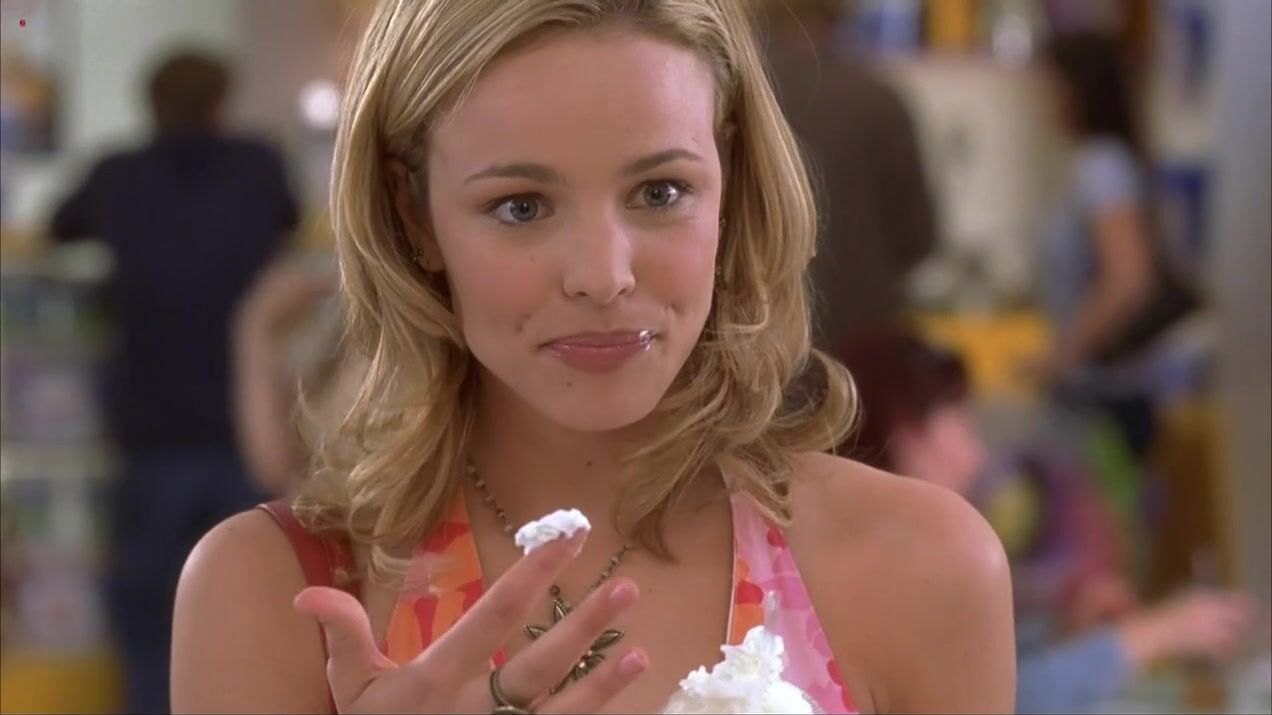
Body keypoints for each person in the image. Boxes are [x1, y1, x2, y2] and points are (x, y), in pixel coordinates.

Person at [171, 2, 1015, 713]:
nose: (604, 276)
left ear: (730, 180)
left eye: (660, 192)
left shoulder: (918, 569)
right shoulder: (277, 598)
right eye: (521, 206)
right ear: (413, 214)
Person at [48, 50, 299, 713]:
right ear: (220, 103)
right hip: (247, 426)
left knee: (147, 610)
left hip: (149, 427)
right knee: (258, 598)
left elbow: (57, 226)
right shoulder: (256, 166)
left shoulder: (118, 174)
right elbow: (292, 222)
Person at [836, 329, 1257, 714]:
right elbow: (1006, 701)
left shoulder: (895, 559)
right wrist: (1151, 636)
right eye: (959, 424)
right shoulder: (883, 578)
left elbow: (976, 670)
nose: (976, 456)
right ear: (907, 436)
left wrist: (1065, 633)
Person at [762, 0, 937, 350]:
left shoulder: (738, 94)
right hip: (863, 338)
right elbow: (920, 236)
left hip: (761, 333)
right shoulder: (879, 101)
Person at [1034, 31, 1174, 459]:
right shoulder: (1101, 163)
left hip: (1103, 396)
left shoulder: (1102, 168)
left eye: (1048, 86)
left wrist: (1062, 356)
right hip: (1105, 389)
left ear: (1076, 91)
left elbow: (1129, 279)